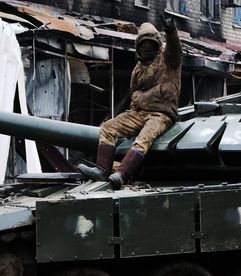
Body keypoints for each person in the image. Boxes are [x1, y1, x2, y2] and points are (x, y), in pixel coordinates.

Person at [77, 15, 182, 189]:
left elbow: (175, 48)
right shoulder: (138, 68)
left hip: (161, 113)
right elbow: (134, 92)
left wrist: (171, 32)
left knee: (143, 139)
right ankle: (102, 169)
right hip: (138, 112)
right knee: (108, 128)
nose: (147, 49)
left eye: (150, 45)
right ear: (138, 47)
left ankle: (123, 174)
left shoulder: (168, 59)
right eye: (143, 45)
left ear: (157, 44)